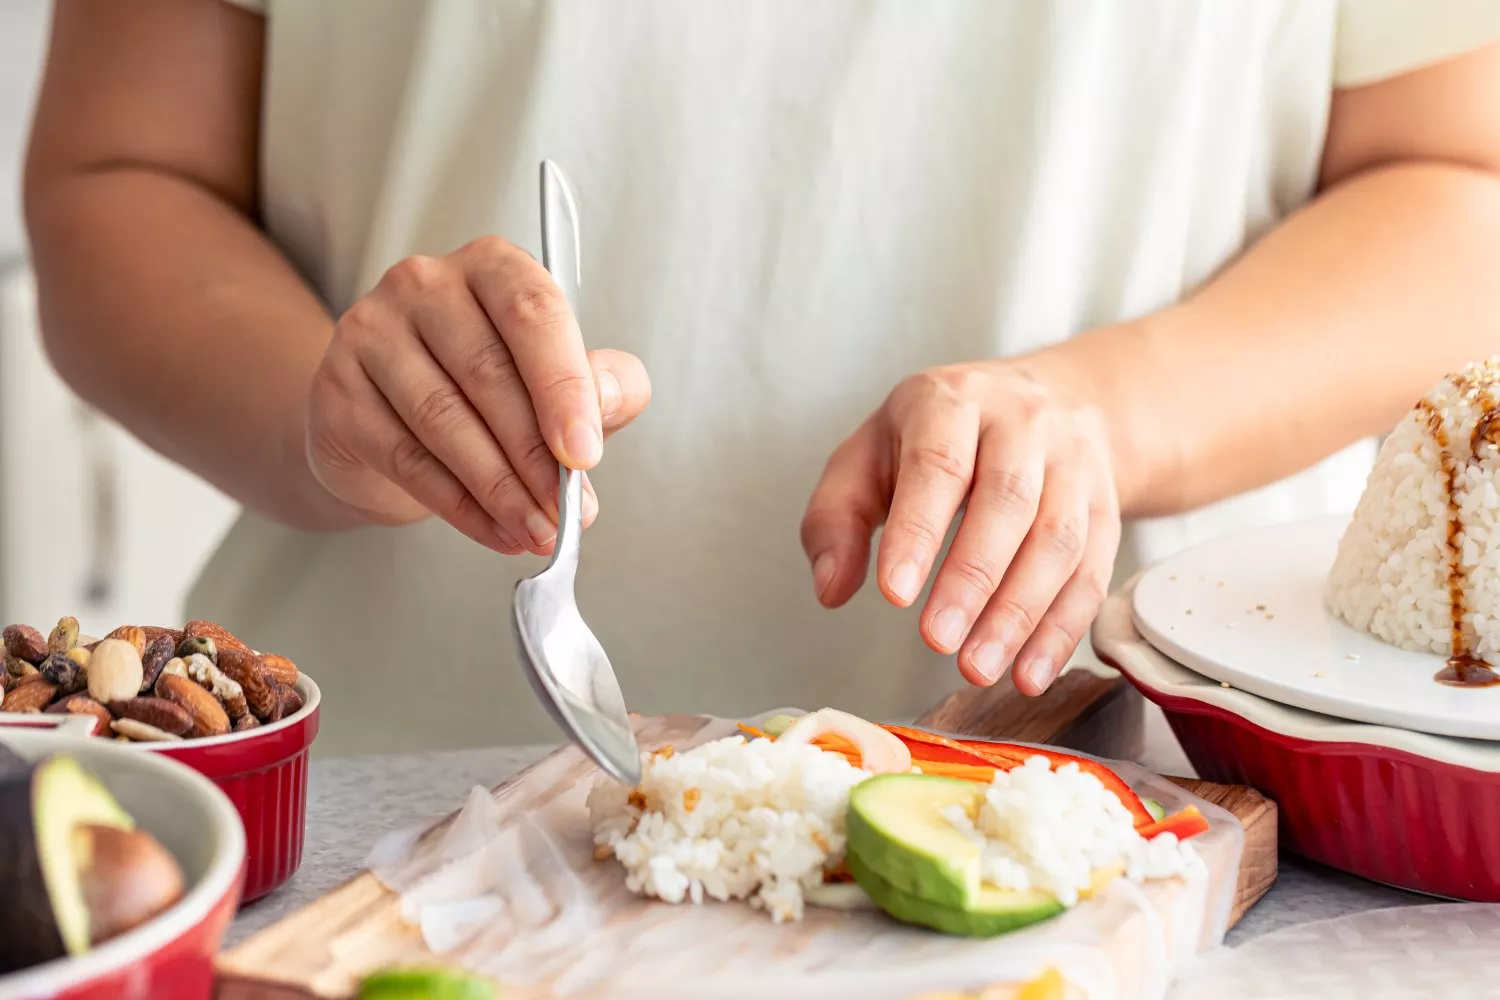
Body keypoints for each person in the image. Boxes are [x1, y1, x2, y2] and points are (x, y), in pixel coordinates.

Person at [22, 1, 1500, 755]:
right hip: (383, 812)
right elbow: (121, 172)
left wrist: (1109, 416)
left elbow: (1455, 179)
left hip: (1131, 805)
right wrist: (323, 411)